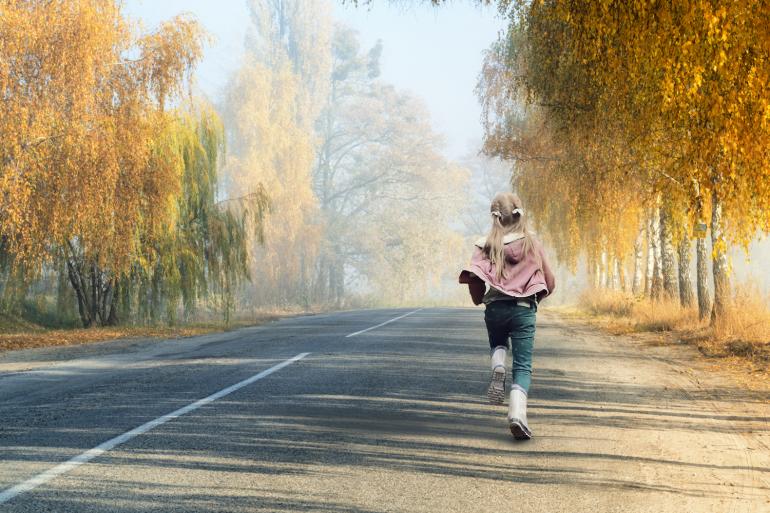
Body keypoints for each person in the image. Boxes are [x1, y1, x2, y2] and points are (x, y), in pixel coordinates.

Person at [459, 192, 555, 440]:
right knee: (523, 365)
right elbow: (549, 279)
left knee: (498, 342)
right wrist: (538, 297)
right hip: (524, 308)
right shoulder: (532, 242)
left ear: (496, 217)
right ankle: (517, 415)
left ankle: (498, 364)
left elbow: (474, 278)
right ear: (518, 213)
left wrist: (479, 298)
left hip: (495, 308)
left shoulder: (485, 244)